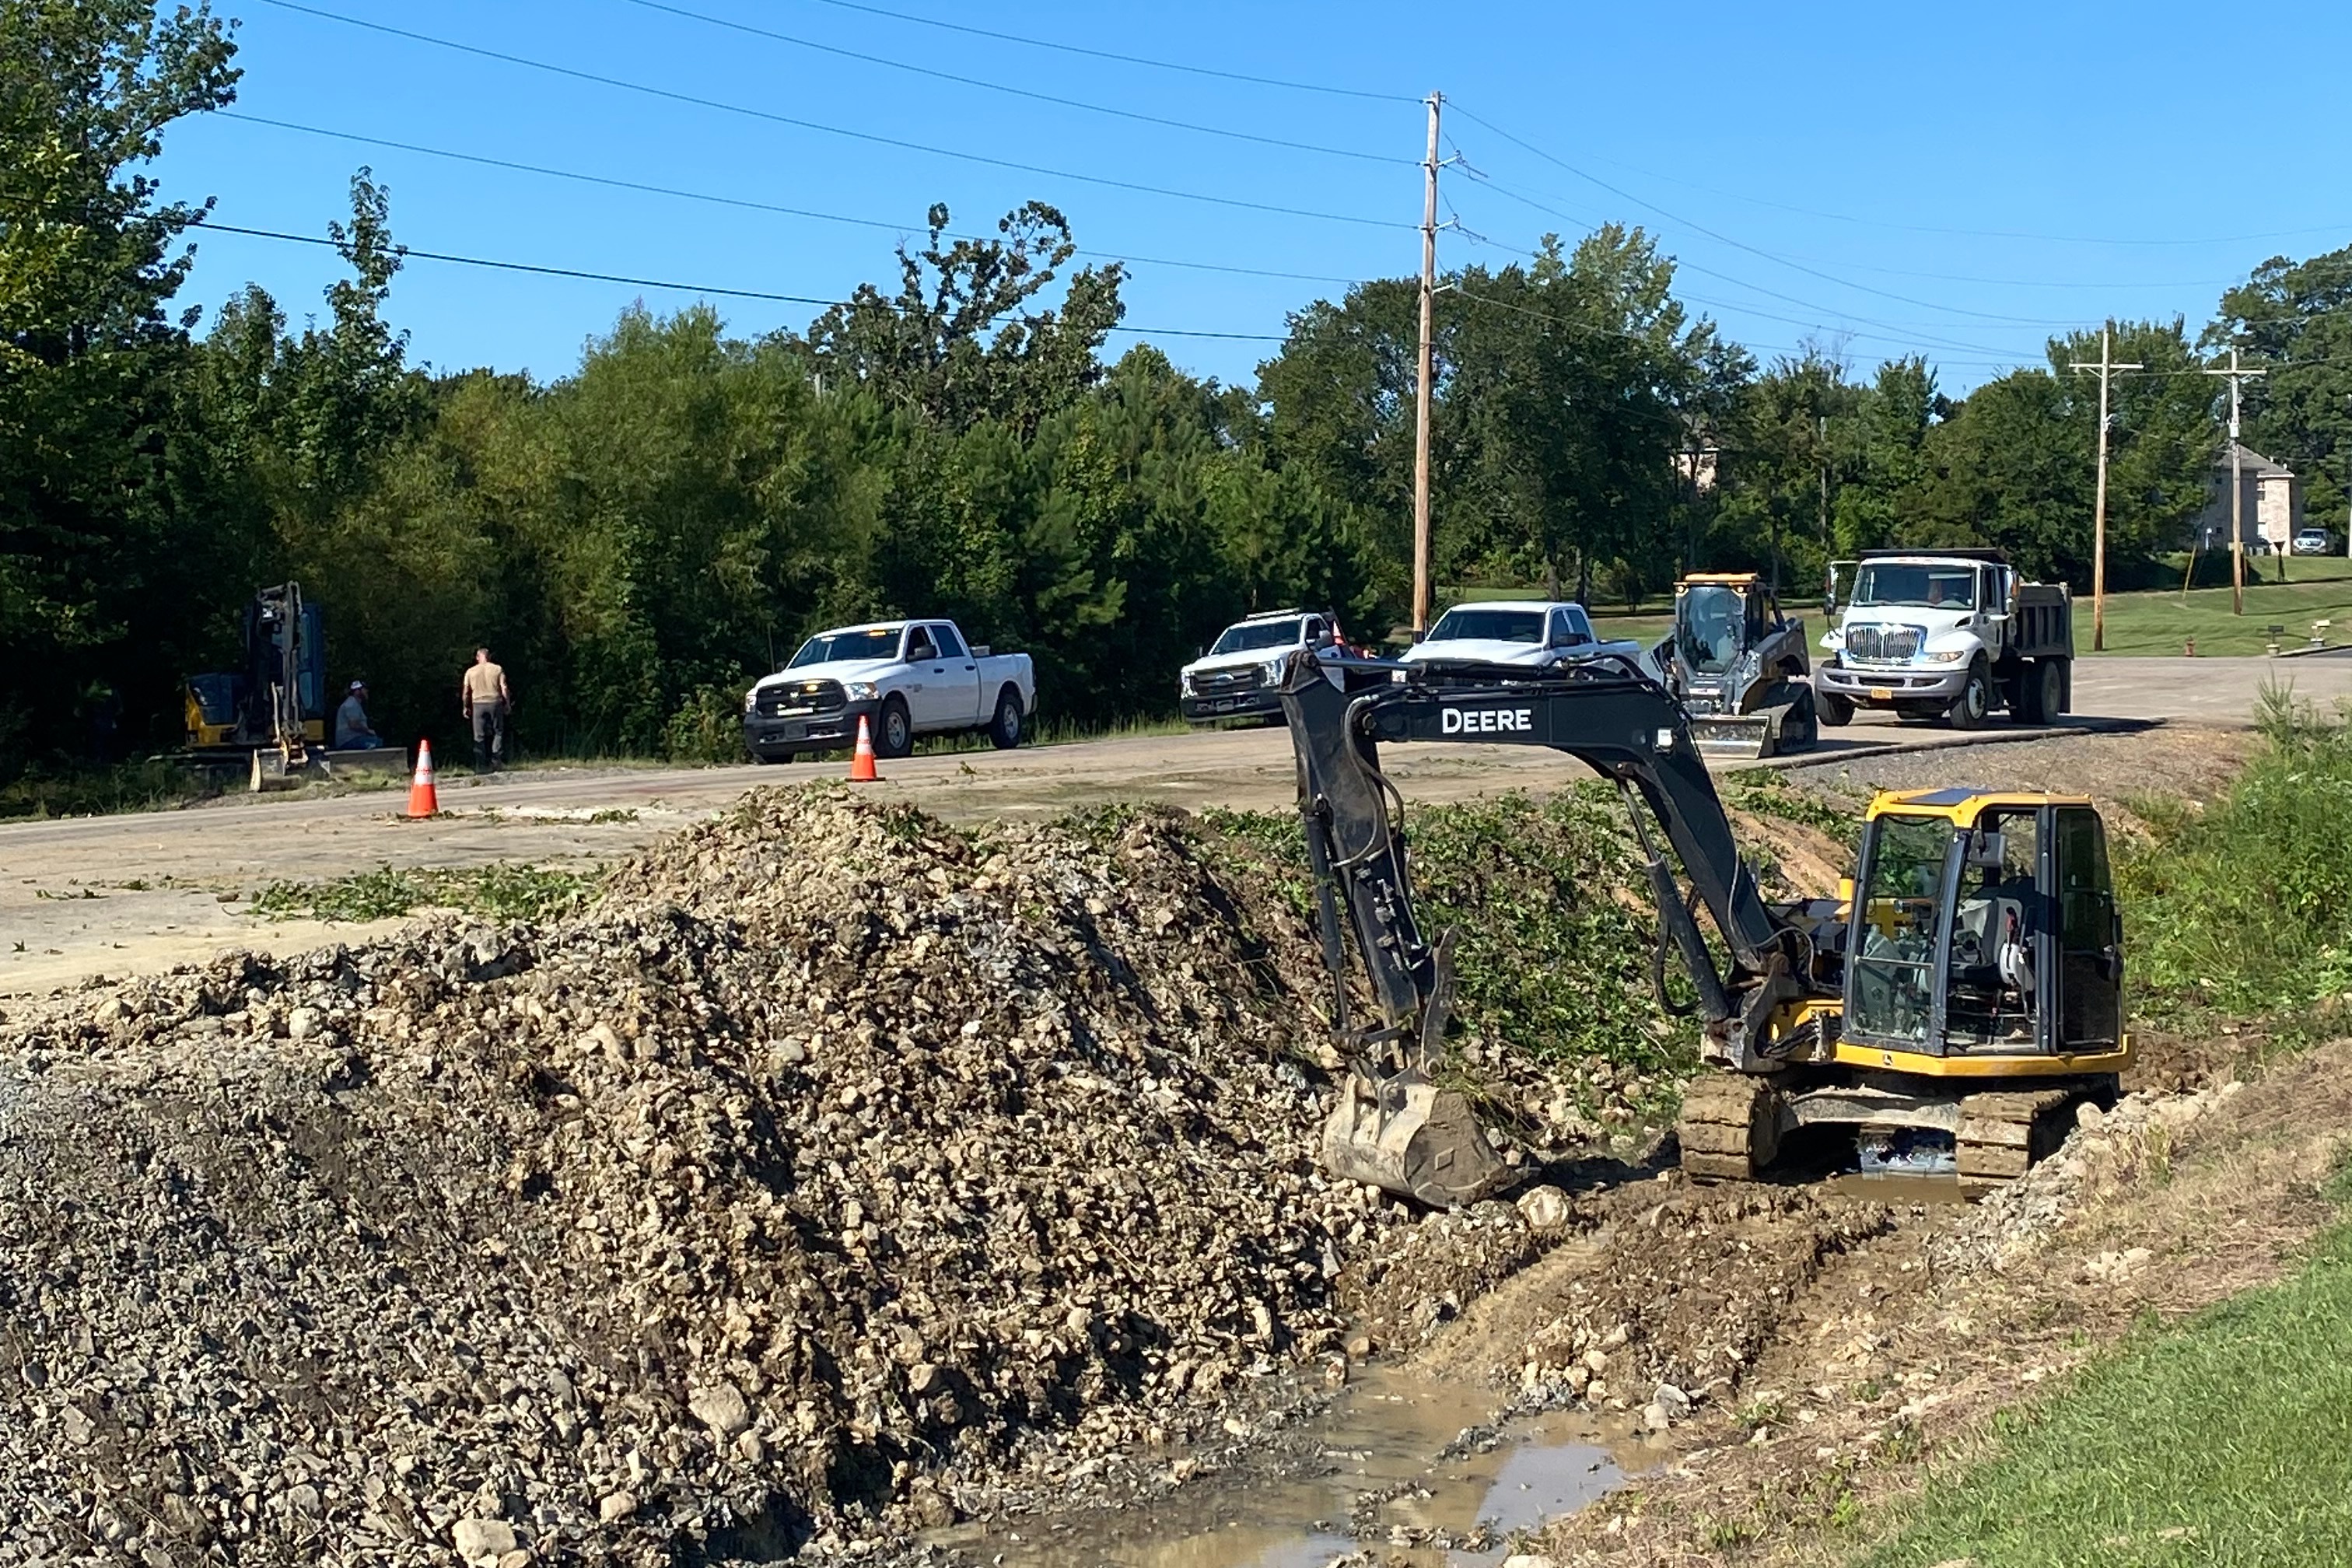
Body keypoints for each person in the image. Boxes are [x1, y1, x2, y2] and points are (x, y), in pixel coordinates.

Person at [461, 648, 512, 774]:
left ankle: (481, 766)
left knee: (479, 735)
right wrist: (507, 703)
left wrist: (465, 706)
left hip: (478, 704)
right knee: (498, 732)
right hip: (495, 702)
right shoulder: (497, 669)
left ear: (477, 658)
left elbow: (466, 692)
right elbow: (504, 688)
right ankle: (496, 761)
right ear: (489, 657)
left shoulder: (470, 672)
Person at [334, 681, 383, 750]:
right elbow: (353, 725)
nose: (367, 691)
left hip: (351, 740)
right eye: (364, 689)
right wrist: (368, 731)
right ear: (357, 691)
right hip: (349, 741)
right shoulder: (352, 704)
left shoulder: (354, 703)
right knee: (377, 742)